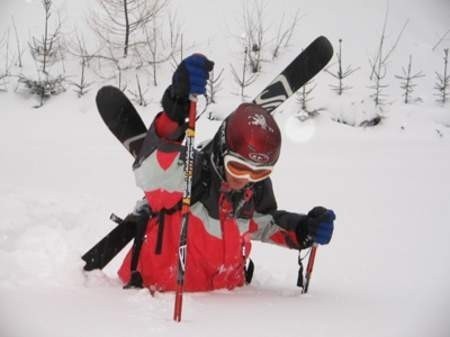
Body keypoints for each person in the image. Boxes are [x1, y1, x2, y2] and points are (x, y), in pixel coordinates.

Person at [118, 54, 335, 292]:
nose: (245, 180)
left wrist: (304, 229)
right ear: (222, 155)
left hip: (227, 303)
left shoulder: (252, 193)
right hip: (158, 301)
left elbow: (266, 225)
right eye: (238, 167)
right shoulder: (189, 176)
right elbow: (150, 171)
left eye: (260, 172)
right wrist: (176, 107)